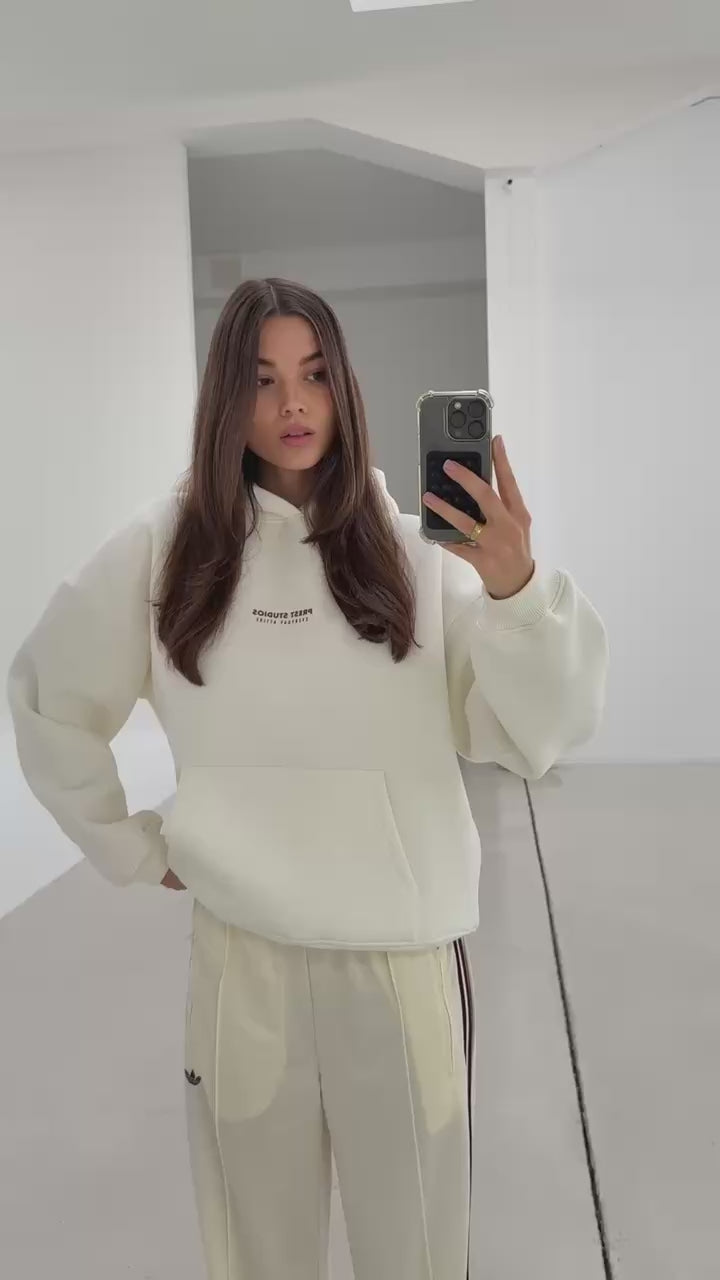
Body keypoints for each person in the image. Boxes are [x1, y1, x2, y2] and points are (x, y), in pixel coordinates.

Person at [7, 277, 608, 1280]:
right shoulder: (167, 548)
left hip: (401, 962)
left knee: (417, 1254)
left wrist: (517, 589)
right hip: (244, 961)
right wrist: (128, 845)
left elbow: (537, 731)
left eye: (315, 375)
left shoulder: (417, 554)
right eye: (262, 379)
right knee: (259, 1255)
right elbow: (46, 693)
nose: (292, 403)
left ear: (346, 389)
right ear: (225, 398)